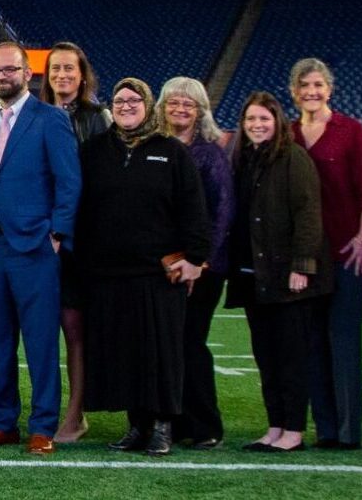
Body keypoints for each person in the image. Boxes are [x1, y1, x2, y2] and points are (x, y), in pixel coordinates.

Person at [76, 77, 210, 457]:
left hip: (157, 274)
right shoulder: (95, 150)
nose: (126, 106)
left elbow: (193, 208)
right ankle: (137, 425)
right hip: (108, 274)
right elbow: (81, 209)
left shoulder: (170, 151)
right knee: (124, 355)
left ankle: (163, 426)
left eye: (135, 100)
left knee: (161, 353)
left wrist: (195, 257)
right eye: (120, 100)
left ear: (148, 105)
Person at [0, 40, 80, 456]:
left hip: (35, 247)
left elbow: (69, 181)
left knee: (40, 341)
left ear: (27, 73)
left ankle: (43, 425)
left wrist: (57, 233)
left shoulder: (49, 119)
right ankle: (2, 422)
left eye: (9, 70)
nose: (1, 77)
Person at [226, 91, 330, 453]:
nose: (257, 125)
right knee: (266, 356)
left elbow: (308, 213)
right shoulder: (245, 159)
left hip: (288, 276)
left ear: (278, 123)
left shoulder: (293, 158)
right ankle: (275, 426)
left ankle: (294, 430)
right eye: (251, 120)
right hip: (257, 276)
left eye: (264, 120)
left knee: (290, 357)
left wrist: (302, 265)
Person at [289, 57, 362, 450]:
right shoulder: (287, 133)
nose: (312, 92)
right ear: (293, 91)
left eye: (318, 85)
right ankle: (324, 428)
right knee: (310, 342)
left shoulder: (350, 130)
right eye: (305, 85)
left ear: (329, 89)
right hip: (304, 255)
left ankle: (348, 430)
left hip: (343, 251)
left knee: (343, 339)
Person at [159, 76, 234, 451]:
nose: (180, 109)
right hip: (162, 264)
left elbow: (222, 212)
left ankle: (205, 424)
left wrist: (199, 261)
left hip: (201, 266)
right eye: (174, 102)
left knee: (190, 342)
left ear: (201, 110)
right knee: (167, 346)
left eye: (188, 104)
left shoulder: (210, 152)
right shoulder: (155, 146)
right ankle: (173, 423)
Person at [39, 41, 107, 443]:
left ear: (82, 75)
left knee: (75, 328)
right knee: (42, 328)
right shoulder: (35, 115)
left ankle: (76, 412)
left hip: (78, 239)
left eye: (69, 69)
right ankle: (49, 409)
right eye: (56, 69)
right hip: (38, 236)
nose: (62, 75)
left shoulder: (98, 119)